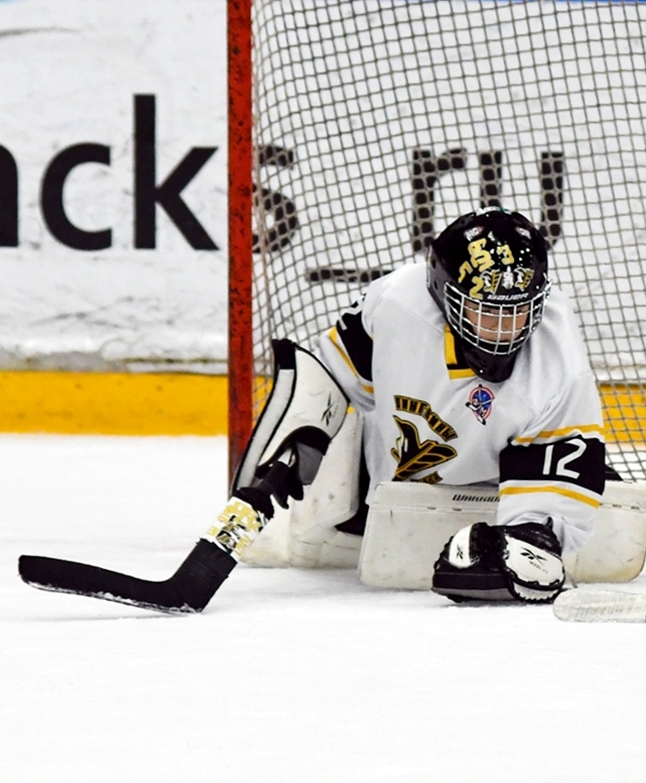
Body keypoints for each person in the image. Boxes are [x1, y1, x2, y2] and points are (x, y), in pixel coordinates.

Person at [234, 207, 607, 604]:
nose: (501, 331)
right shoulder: (394, 302)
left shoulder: (559, 362)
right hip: (388, 501)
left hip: (490, 502)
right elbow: (331, 384)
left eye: (516, 312)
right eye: (485, 312)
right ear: (442, 294)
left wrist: (529, 539)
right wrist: (293, 449)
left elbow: (551, 485)